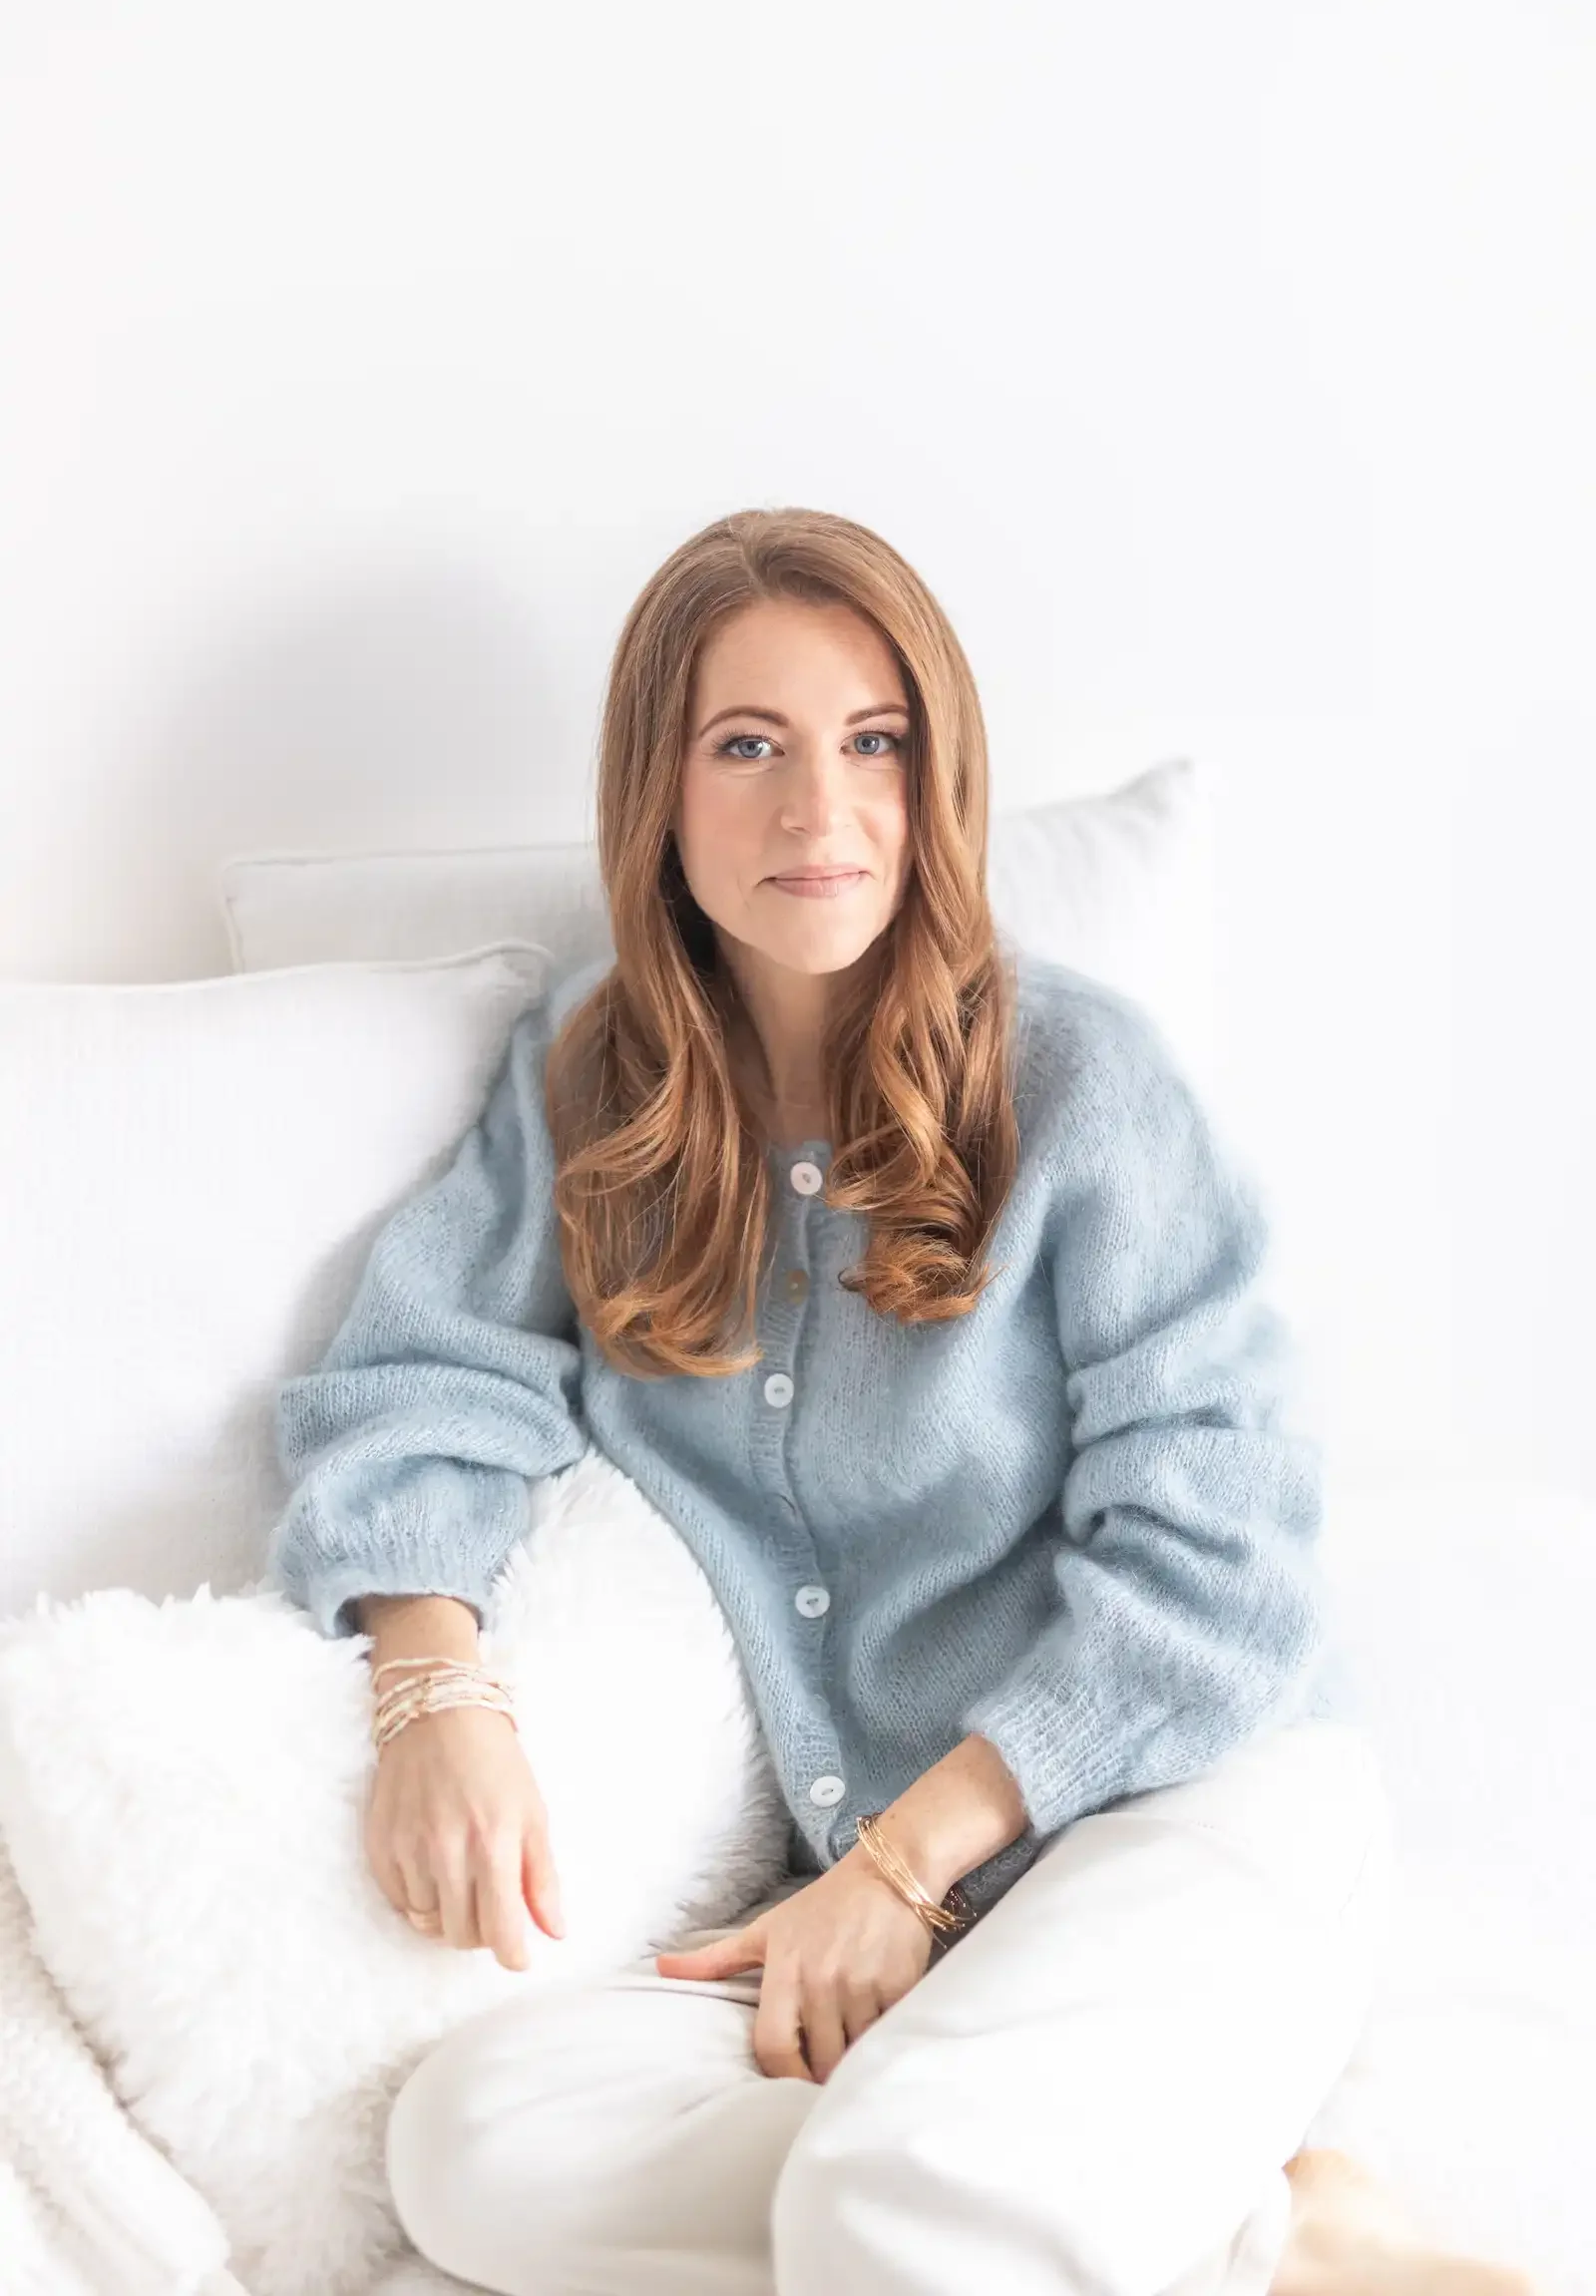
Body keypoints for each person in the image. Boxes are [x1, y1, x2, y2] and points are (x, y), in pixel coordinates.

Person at [266, 508, 1535, 2296]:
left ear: (938, 780)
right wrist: (432, 1689)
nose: (817, 811)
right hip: (893, 1930)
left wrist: (908, 1870)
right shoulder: (595, 1087)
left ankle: (1002, 2184)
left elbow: (1225, 1565)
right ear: (660, 792)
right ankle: (1247, 2230)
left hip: (1180, 1812)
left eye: (875, 742)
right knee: (475, 2146)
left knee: (889, 2213)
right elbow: (420, 1380)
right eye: (748, 747)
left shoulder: (1083, 1082)